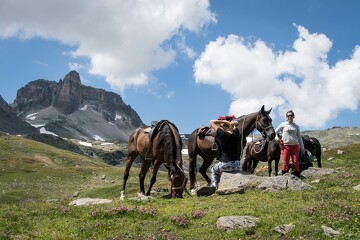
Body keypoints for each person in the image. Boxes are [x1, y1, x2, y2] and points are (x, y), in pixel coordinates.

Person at [197, 115, 241, 196]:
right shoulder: (236, 134)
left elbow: (211, 121)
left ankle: (213, 186)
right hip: (237, 165)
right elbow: (236, 124)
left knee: (213, 169)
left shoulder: (221, 134)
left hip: (226, 164)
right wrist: (231, 124)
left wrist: (223, 121)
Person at [275, 110, 305, 177]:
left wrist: (302, 148)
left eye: (291, 115)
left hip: (295, 146)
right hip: (285, 146)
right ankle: (283, 176)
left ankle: (297, 176)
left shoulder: (296, 126)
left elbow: (299, 137)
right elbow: (274, 132)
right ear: (286, 117)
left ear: (293, 116)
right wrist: (277, 139)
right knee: (285, 162)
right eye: (288, 115)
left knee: (295, 161)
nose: (290, 117)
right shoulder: (283, 124)